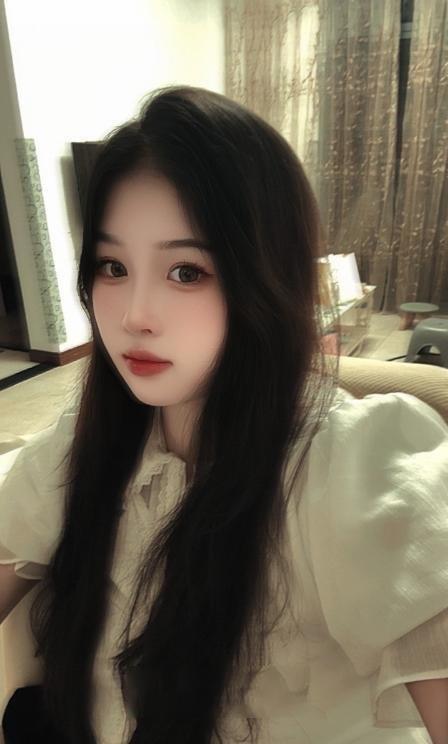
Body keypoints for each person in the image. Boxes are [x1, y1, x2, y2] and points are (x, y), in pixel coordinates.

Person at [0, 84, 447, 744]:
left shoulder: (349, 466)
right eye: (112, 266)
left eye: (186, 272)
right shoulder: (89, 442)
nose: (134, 316)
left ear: (265, 275)